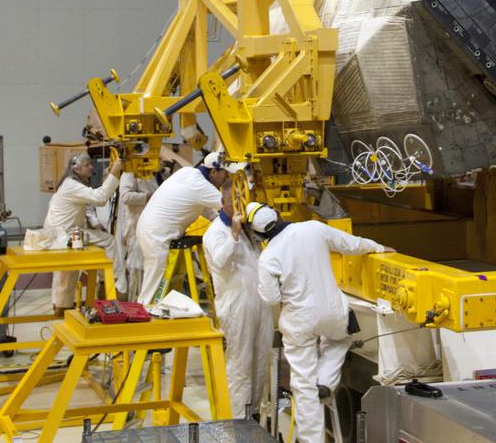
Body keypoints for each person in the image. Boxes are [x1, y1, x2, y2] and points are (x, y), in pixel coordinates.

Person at [252, 204, 391, 443]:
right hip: (334, 313)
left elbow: (271, 298)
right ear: (279, 214)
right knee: (339, 340)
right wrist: (379, 248)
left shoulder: (268, 256)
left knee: (304, 385)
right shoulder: (314, 228)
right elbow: (351, 244)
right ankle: (326, 380)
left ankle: (311, 440)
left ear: (260, 236)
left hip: (299, 321)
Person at [203, 182, 272, 420]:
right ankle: (237, 420)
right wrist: (233, 233)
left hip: (259, 301)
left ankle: (253, 416)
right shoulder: (215, 232)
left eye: (243, 199)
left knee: (261, 360)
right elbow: (221, 262)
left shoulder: (247, 229)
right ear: (223, 203)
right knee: (240, 364)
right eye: (235, 201)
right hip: (236, 305)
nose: (240, 205)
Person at [135, 151, 240, 304]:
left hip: (148, 227)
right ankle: (143, 319)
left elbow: (204, 207)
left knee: (155, 281)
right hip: (156, 234)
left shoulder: (187, 172)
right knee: (153, 285)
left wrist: (218, 219)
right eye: (225, 174)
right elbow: (231, 207)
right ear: (213, 172)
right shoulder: (202, 187)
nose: (227, 178)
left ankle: (151, 316)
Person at [43, 153, 123, 311]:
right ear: (76, 168)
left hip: (60, 233)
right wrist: (114, 173)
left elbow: (88, 204)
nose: (92, 168)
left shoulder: (68, 184)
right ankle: (109, 286)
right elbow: (100, 198)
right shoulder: (72, 186)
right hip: (64, 235)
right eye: (88, 165)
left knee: (67, 272)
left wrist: (108, 176)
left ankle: (61, 306)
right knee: (108, 241)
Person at [116, 165, 163, 299]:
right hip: (137, 227)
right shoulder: (129, 172)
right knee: (137, 270)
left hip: (153, 227)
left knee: (150, 268)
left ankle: (147, 302)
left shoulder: (154, 172)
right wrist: (147, 196)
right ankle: (136, 303)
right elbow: (125, 196)